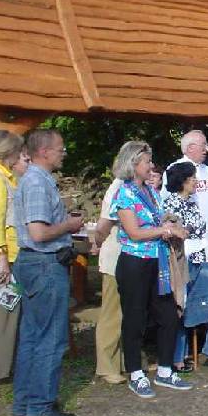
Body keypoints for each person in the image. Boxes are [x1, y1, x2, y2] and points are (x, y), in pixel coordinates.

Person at [111, 140, 193, 398]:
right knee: (135, 319)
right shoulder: (124, 193)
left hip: (158, 261)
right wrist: (164, 230)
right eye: (147, 161)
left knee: (169, 315)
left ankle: (166, 371)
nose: (151, 165)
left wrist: (174, 229)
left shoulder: (151, 192)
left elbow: (159, 223)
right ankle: (136, 374)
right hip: (134, 263)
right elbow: (134, 233)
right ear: (134, 163)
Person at [12, 129, 83, 416]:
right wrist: (69, 225)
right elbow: (38, 233)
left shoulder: (34, 180)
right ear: (43, 151)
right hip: (44, 264)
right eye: (60, 149)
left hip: (34, 264)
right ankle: (40, 409)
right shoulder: (37, 182)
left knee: (32, 337)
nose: (63, 153)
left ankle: (25, 406)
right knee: (51, 340)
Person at [163, 161, 208, 373]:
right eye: (193, 178)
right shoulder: (172, 203)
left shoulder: (191, 202)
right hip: (183, 259)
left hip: (199, 257)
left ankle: (186, 352)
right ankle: (177, 357)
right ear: (183, 181)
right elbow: (176, 232)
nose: (196, 181)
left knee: (193, 304)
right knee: (181, 305)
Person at [161, 130, 208, 260]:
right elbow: (167, 205)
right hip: (189, 246)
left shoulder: (207, 170)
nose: (207, 149)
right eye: (203, 145)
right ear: (190, 147)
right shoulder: (176, 169)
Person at [0, 131, 26, 381]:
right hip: (7, 257)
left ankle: (6, 364)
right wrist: (2, 258)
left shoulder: (9, 177)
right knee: (6, 310)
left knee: (10, 309)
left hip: (14, 253)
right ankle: (1, 368)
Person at [93, 162, 125, 385]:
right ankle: (106, 366)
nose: (151, 165)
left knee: (127, 313)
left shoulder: (135, 187)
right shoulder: (117, 188)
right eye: (147, 161)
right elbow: (103, 226)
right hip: (115, 257)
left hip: (130, 258)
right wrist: (98, 242)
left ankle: (125, 360)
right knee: (112, 314)